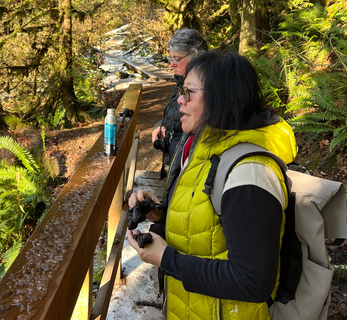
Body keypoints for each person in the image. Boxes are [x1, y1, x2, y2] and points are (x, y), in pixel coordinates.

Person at [127, 50, 298, 319]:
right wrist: (159, 213)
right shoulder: (205, 147)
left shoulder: (249, 174)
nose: (179, 100)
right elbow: (212, 228)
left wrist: (167, 260)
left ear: (222, 97)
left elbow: (252, 281)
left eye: (189, 92)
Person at [153, 28, 209, 179]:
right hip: (174, 166)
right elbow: (175, 115)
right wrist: (159, 127)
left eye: (176, 59)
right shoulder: (180, 83)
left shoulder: (205, 90)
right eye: (170, 58)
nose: (171, 64)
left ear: (198, 55)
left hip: (188, 172)